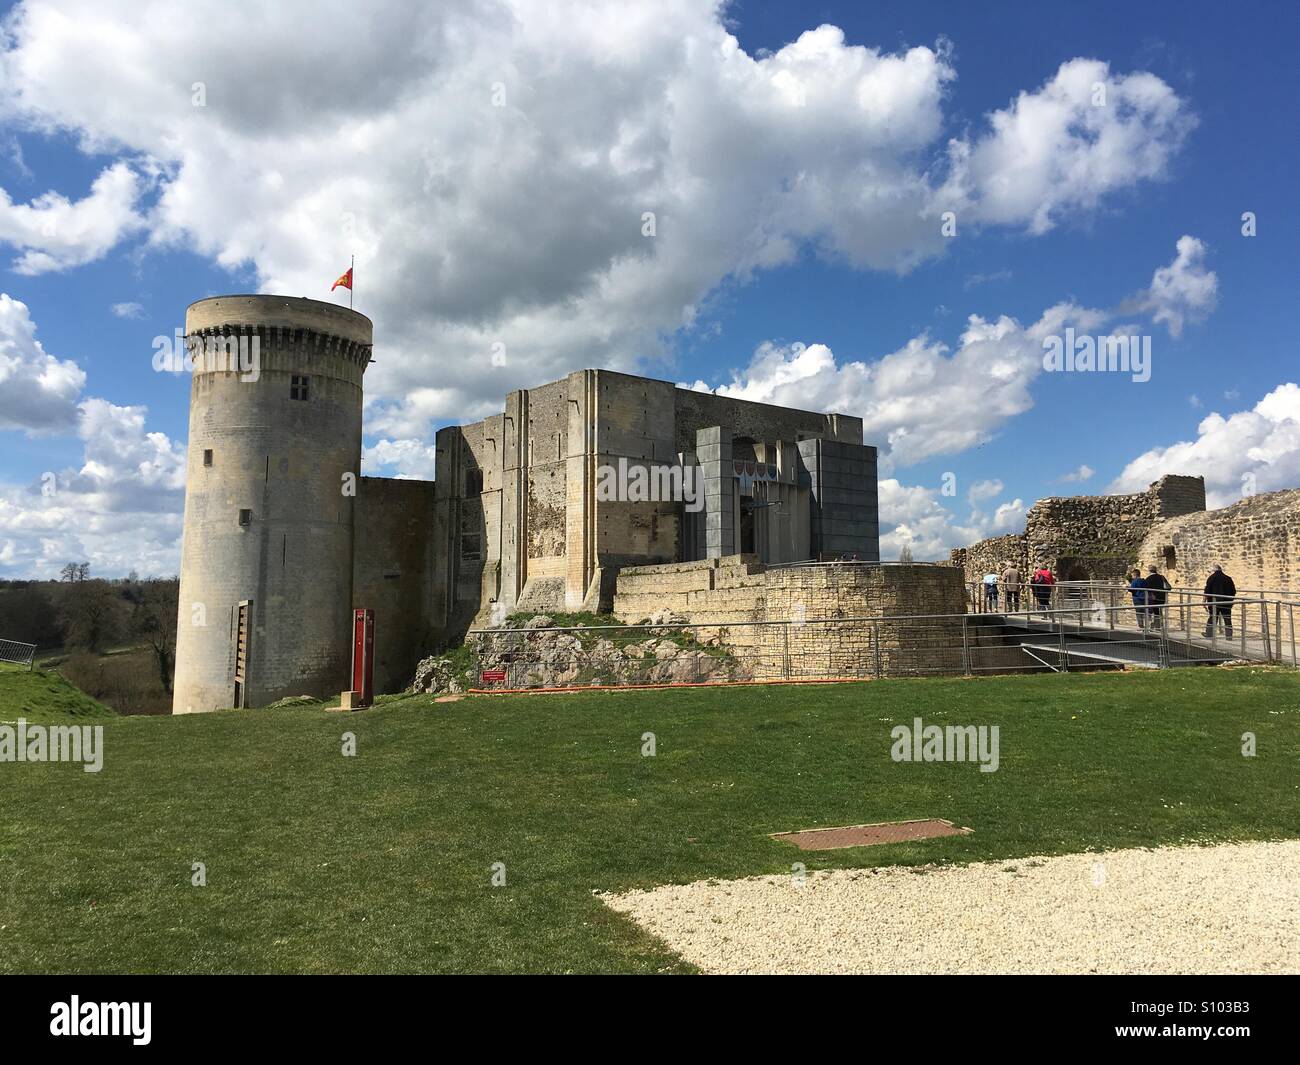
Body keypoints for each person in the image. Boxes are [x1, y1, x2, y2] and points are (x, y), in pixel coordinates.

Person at [1203, 565, 1236, 638]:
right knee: (1227, 619)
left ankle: (1209, 634)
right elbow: (1233, 591)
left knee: (1213, 618)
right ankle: (1229, 636)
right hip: (1226, 602)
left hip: (1214, 602)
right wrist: (1231, 601)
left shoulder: (1211, 578)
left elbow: (1207, 591)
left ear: (1214, 570)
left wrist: (1204, 601)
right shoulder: (1228, 578)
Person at [1142, 565, 1171, 630]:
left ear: (1149, 571)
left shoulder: (1149, 578)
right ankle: (1159, 625)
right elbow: (1169, 587)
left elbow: (1146, 588)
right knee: (1158, 611)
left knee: (1155, 612)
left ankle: (1156, 626)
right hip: (1162, 597)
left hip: (1153, 598)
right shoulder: (1162, 577)